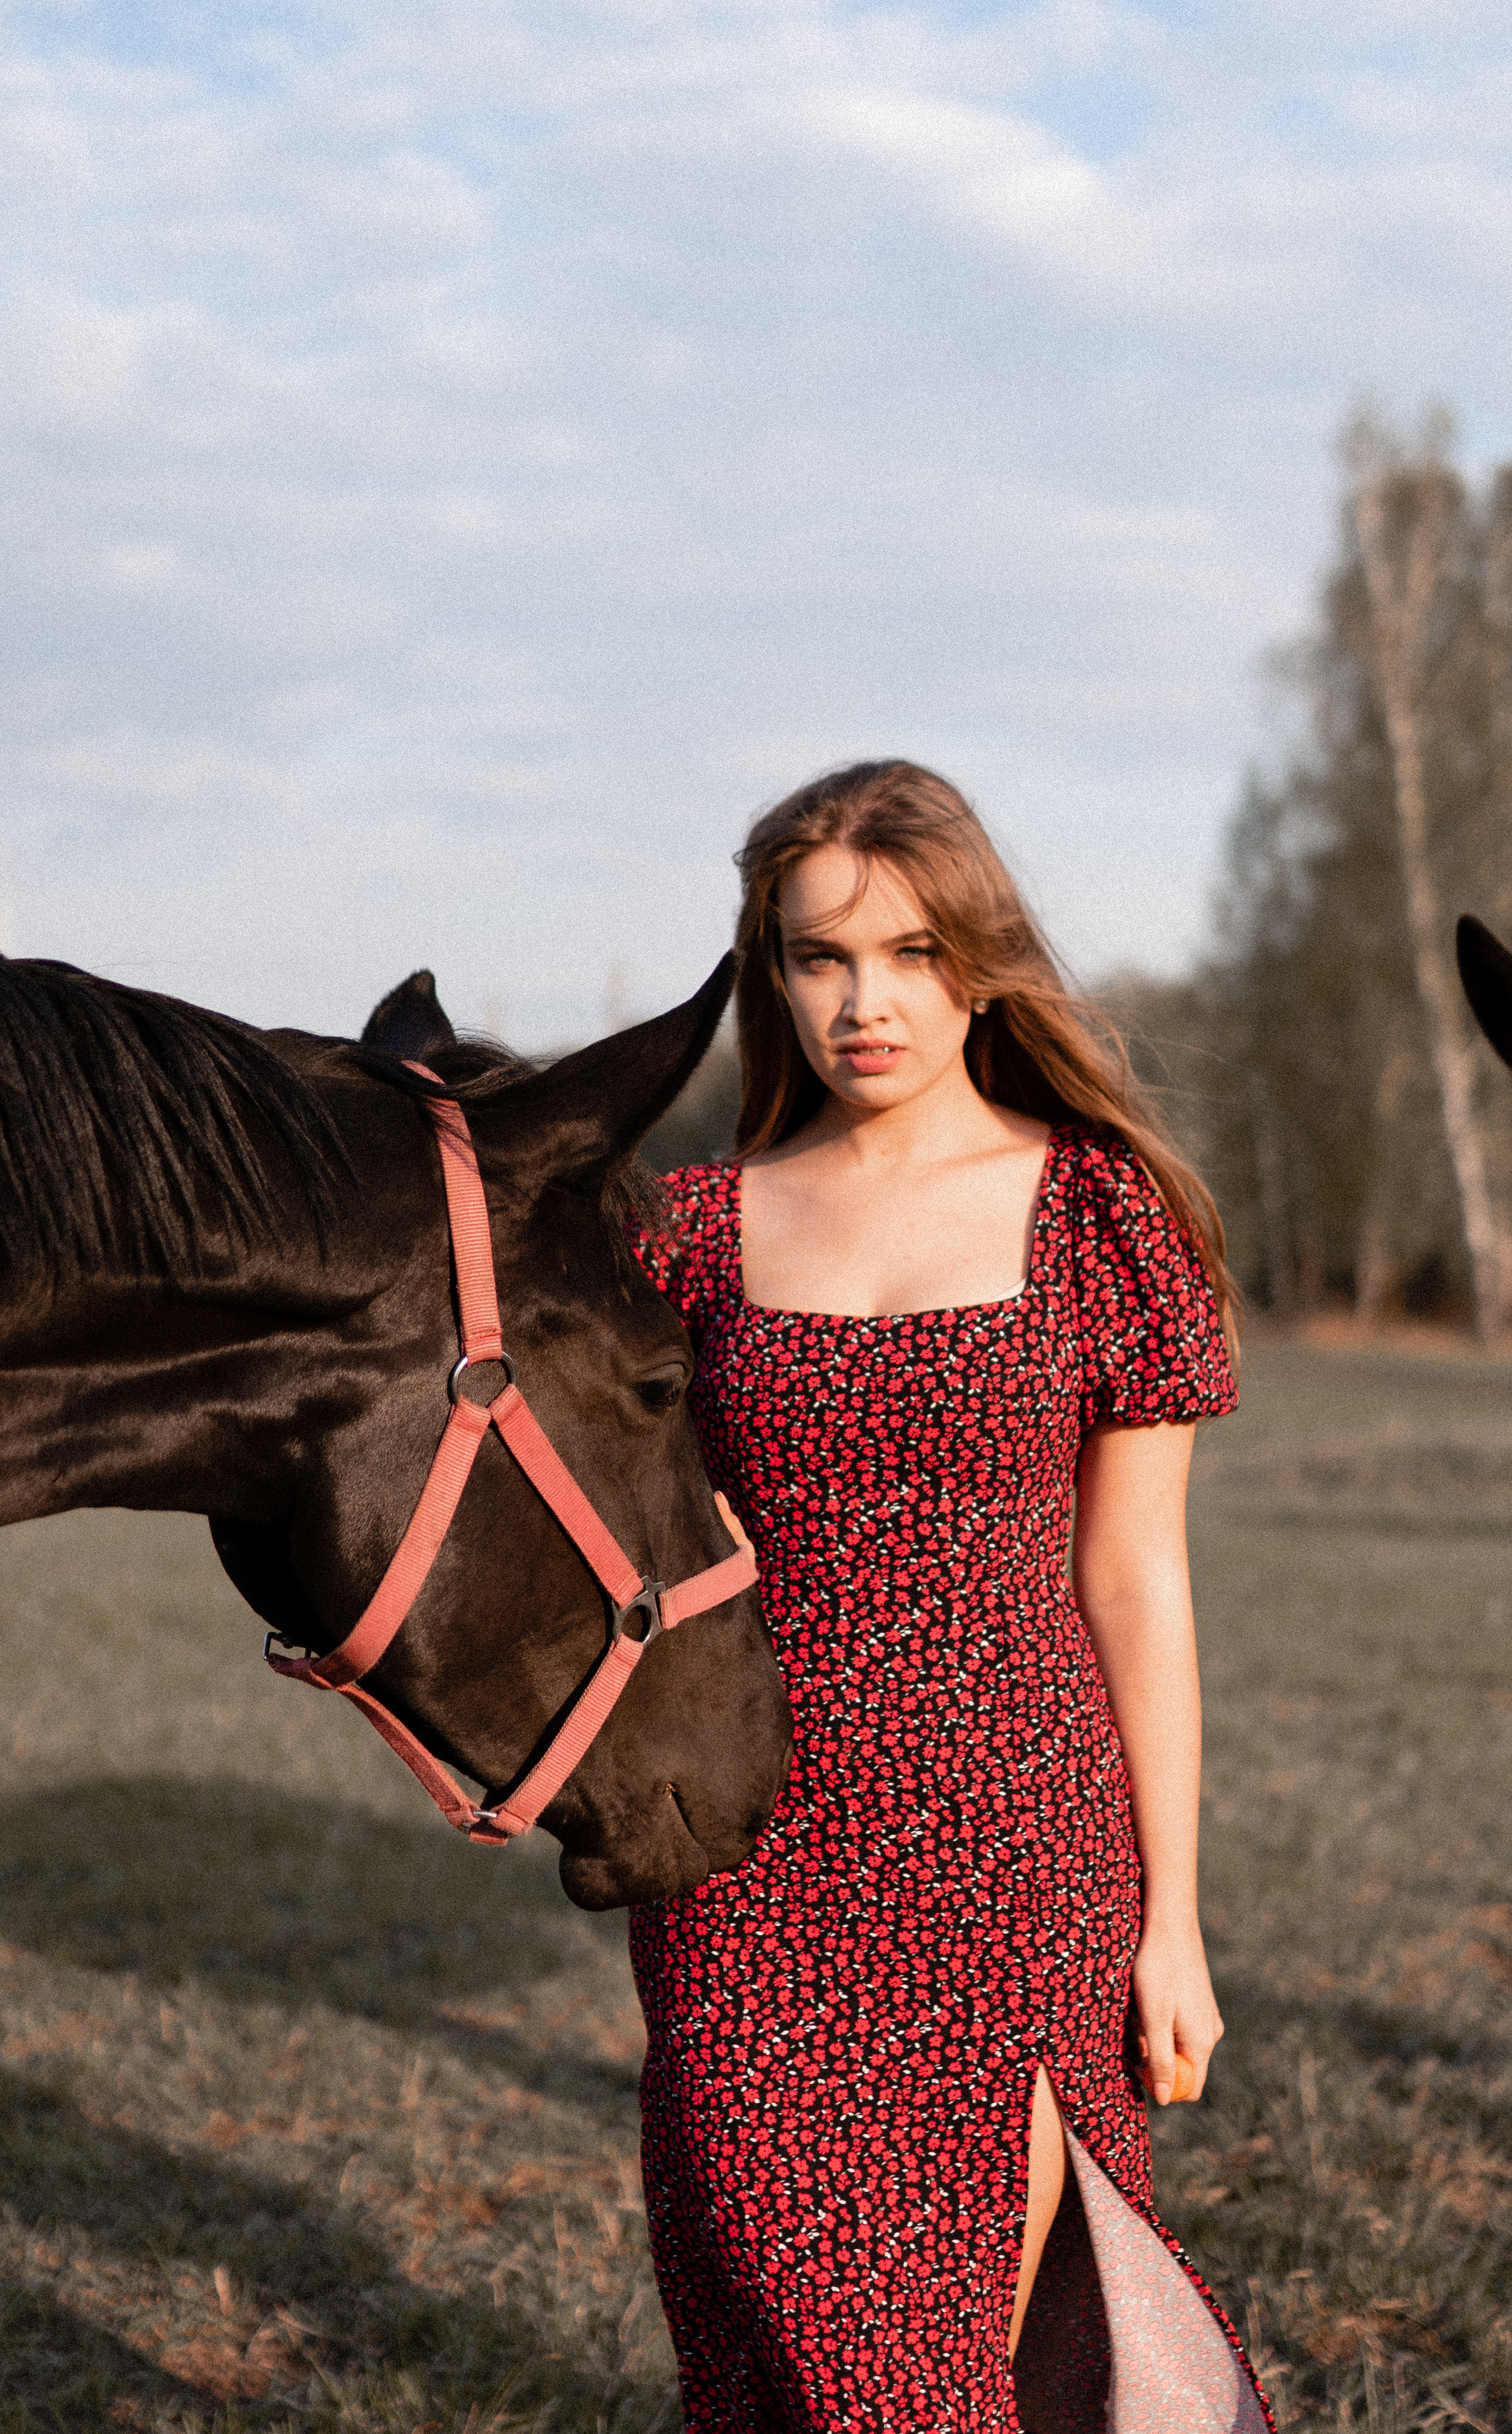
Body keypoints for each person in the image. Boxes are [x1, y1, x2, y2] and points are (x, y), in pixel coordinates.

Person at [625, 762, 1274, 2433]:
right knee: (802, 2331)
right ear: (770, 974)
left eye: (906, 952)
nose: (863, 1002)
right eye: (815, 957)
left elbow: (1137, 1577)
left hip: (1026, 1864)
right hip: (751, 1870)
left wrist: (1175, 1918)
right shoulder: (688, 1238)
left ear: (976, 959)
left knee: (1025, 2345)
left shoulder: (1103, 1213)